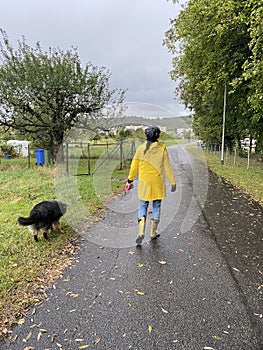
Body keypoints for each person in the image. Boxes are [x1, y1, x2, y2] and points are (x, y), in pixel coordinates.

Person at [126, 125, 176, 245]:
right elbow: (167, 167)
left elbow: (134, 166)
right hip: (157, 182)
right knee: (156, 206)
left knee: (143, 205)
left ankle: (140, 232)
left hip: (144, 182)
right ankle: (153, 232)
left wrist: (130, 180)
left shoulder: (140, 149)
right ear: (158, 136)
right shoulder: (162, 149)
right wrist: (173, 182)